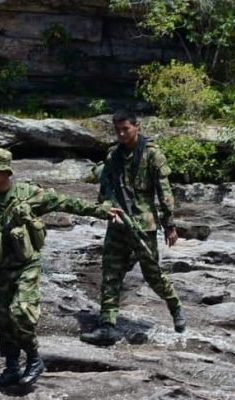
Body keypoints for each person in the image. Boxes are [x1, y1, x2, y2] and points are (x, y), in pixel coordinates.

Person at [0, 148, 118, 387]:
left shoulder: (29, 194)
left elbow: (65, 202)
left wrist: (99, 211)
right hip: (1, 269)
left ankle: (34, 359)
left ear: (6, 172)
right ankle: (11, 367)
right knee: (1, 316)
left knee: (20, 312)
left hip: (26, 265)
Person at [79, 110, 186, 347]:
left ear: (137, 126)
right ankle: (107, 325)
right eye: (117, 129)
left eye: (125, 128)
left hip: (143, 225)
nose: (121, 133)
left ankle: (175, 306)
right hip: (118, 223)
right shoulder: (113, 155)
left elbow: (164, 192)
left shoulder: (152, 154)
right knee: (111, 272)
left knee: (152, 273)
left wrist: (170, 225)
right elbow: (105, 188)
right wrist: (106, 208)